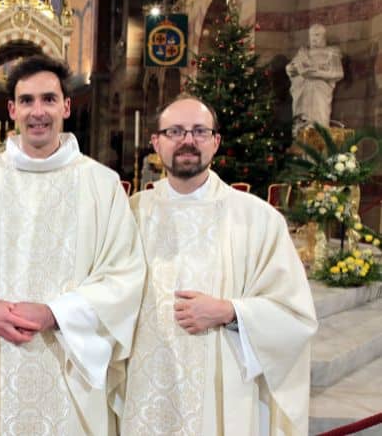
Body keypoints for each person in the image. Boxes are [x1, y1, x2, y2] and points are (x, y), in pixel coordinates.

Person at [0, 55, 145, 435]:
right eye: (26, 101)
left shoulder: (102, 187)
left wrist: (55, 313)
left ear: (67, 106)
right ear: (11, 109)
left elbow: (124, 274)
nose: (37, 111)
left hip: (70, 355)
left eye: (48, 99)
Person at [122, 96, 318, 435]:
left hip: (223, 391)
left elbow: (296, 314)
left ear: (216, 142)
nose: (187, 141)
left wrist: (230, 311)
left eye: (199, 131)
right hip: (145, 386)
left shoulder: (256, 218)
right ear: (156, 142)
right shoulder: (131, 214)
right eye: (175, 131)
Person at [286, 23, 343, 134]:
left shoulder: (331, 53)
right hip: (302, 92)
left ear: (324, 36)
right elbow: (292, 67)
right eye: (311, 35)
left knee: (320, 120)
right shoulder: (303, 52)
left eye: (317, 35)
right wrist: (290, 69)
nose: (313, 38)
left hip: (320, 92)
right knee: (301, 123)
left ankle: (320, 143)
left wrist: (318, 73)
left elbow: (338, 73)